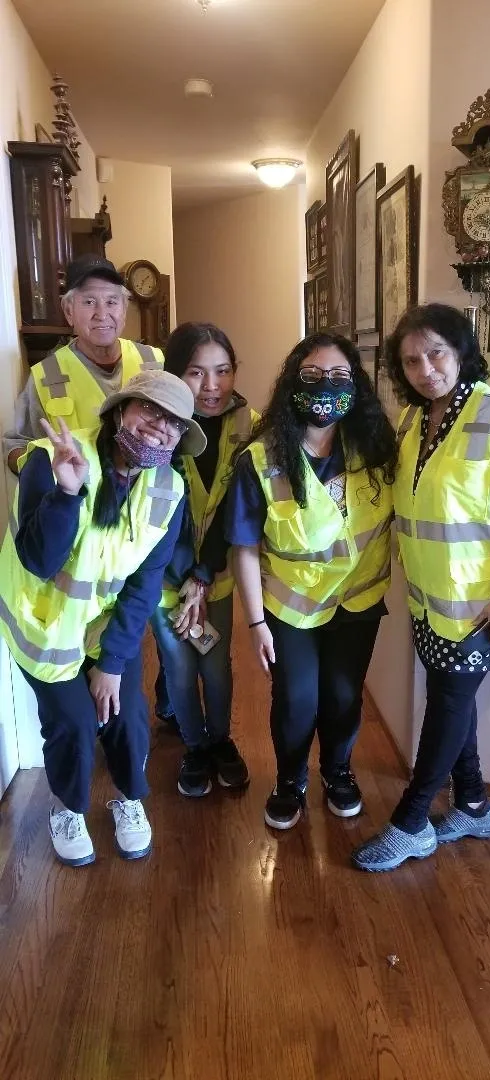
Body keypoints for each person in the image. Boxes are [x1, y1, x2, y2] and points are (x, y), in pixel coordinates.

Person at [352, 303, 490, 872]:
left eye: (436, 352)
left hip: (485, 606)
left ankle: (411, 821)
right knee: (450, 703)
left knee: (446, 706)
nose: (425, 368)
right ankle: (475, 805)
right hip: (431, 601)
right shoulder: (414, 421)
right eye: (411, 360)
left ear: (461, 350)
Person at [0, 370, 206, 867]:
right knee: (72, 723)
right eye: (150, 411)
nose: (160, 427)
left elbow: (144, 584)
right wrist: (66, 494)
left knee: (128, 717)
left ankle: (129, 798)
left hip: (102, 625)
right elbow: (38, 560)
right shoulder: (55, 459)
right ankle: (68, 807)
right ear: (120, 411)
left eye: (174, 424)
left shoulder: (170, 490)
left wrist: (111, 662)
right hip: (44, 624)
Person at [225, 331, 397, 830]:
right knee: (297, 697)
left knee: (344, 694)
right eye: (314, 375)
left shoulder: (377, 449)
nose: (327, 386)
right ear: (293, 383)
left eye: (340, 376)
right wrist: (256, 622)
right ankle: (290, 779)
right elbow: (244, 545)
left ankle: (338, 772)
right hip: (290, 607)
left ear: (356, 385)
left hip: (358, 602)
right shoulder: (261, 459)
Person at [150, 323, 258, 797]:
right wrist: (183, 578)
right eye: (196, 372)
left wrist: (203, 575)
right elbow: (157, 511)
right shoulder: (158, 422)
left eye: (222, 371)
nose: (211, 386)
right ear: (176, 375)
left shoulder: (246, 423)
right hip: (162, 575)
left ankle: (221, 742)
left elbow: (237, 505)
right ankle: (194, 747)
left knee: (215, 665)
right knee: (178, 667)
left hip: (214, 572)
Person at [4, 254, 163, 474]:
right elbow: (15, 448)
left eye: (111, 301)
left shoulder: (156, 361)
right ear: (69, 311)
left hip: (144, 504)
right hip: (79, 504)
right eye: (89, 302)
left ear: (124, 310)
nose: (102, 314)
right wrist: (47, 463)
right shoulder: (45, 375)